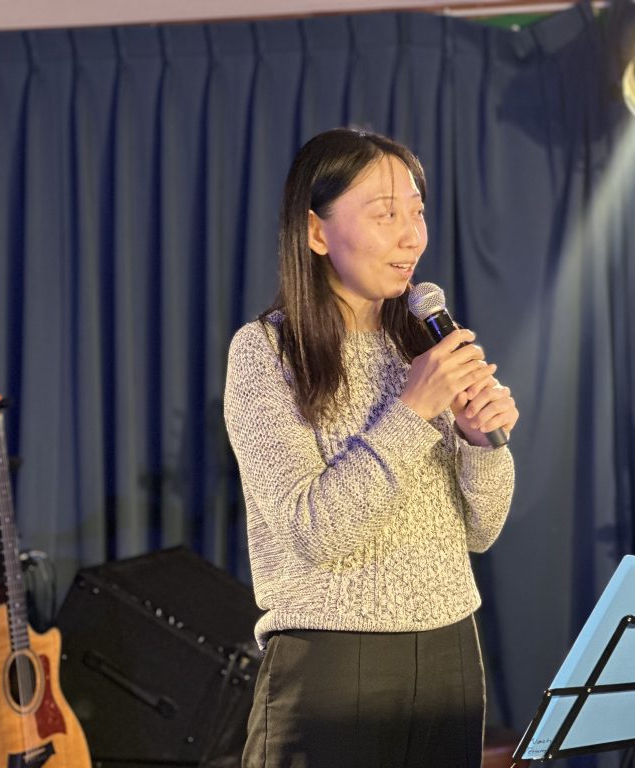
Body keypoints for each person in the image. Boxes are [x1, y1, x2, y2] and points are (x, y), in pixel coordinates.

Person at [223, 127, 517, 768]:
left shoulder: (421, 344)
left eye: (417, 212)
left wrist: (482, 447)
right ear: (316, 231)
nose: (413, 237)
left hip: (450, 657)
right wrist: (411, 411)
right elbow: (313, 533)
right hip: (332, 668)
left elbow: (482, 532)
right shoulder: (266, 353)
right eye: (386, 215)